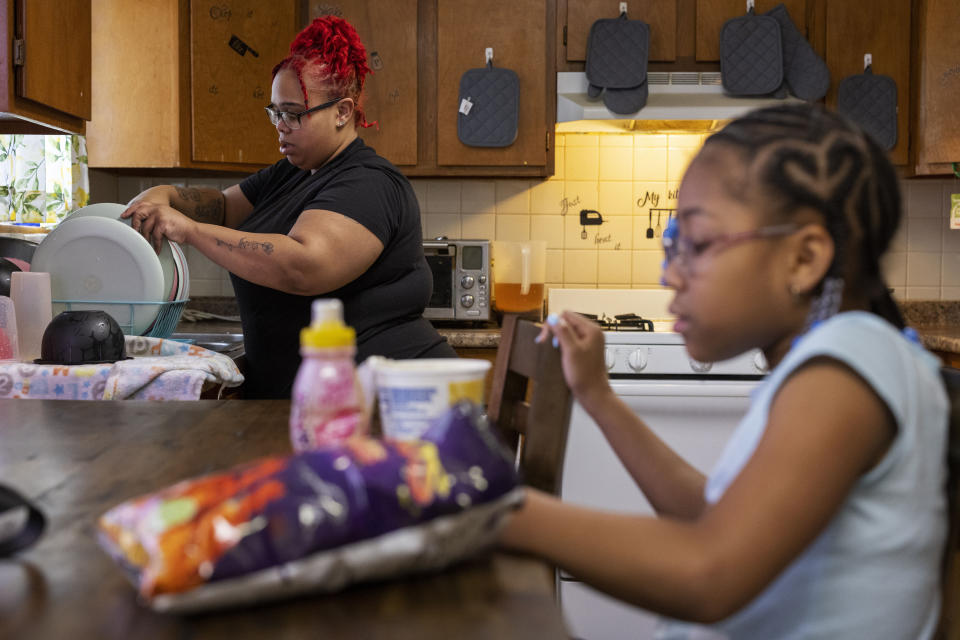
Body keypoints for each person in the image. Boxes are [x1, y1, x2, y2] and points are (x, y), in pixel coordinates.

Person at [499, 104, 949, 638]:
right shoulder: (837, 362)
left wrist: (492, 513)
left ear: (804, 258)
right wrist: (598, 396)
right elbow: (709, 515)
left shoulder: (847, 371)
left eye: (697, 245)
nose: (670, 274)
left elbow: (710, 573)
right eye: (672, 245)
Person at [122, 16, 455, 399]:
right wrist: (165, 195)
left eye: (294, 113)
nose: (280, 125)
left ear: (343, 112)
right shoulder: (293, 173)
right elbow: (222, 207)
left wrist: (190, 230)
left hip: (390, 402)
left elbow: (303, 266)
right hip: (326, 402)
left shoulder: (368, 183)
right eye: (275, 111)